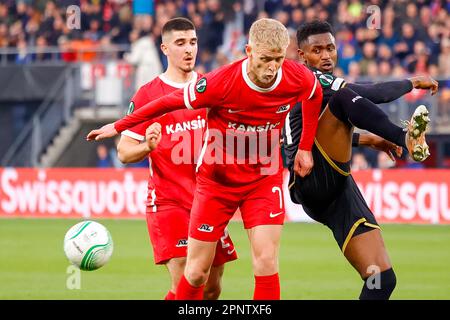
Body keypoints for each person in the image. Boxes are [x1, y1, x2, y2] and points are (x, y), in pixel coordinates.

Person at [87, 18, 323, 300]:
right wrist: (121, 127)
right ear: (248, 51)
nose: (272, 68)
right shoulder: (212, 84)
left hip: (261, 178)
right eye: (181, 43)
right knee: (194, 272)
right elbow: (152, 120)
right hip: (193, 193)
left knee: (237, 276)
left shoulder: (289, 76)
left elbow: (314, 93)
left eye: (193, 42)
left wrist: (305, 147)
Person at [284, 20, 438, 300]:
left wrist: (370, 140)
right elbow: (370, 93)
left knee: (381, 279)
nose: (326, 56)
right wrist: (413, 81)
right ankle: (406, 137)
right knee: (346, 97)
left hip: (336, 188)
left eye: (330, 48)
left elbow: (324, 130)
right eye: (317, 50)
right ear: (302, 56)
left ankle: (403, 137)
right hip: (311, 177)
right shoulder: (309, 80)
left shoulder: (317, 86)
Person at [116, 17, 237, 300]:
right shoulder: (148, 94)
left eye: (192, 42)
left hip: (209, 202)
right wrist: (147, 145)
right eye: (180, 43)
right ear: (165, 49)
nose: (188, 50)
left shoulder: (210, 88)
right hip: (169, 202)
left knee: (211, 287)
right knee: (187, 278)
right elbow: (123, 151)